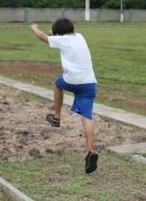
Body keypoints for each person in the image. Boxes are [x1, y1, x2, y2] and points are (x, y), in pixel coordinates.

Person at [30, 18, 98, 174]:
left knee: (58, 83)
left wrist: (34, 28)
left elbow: (42, 37)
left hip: (72, 81)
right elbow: (54, 36)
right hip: (89, 83)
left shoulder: (61, 40)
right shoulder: (80, 36)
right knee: (87, 116)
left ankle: (56, 117)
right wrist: (52, 33)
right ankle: (90, 151)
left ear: (58, 32)